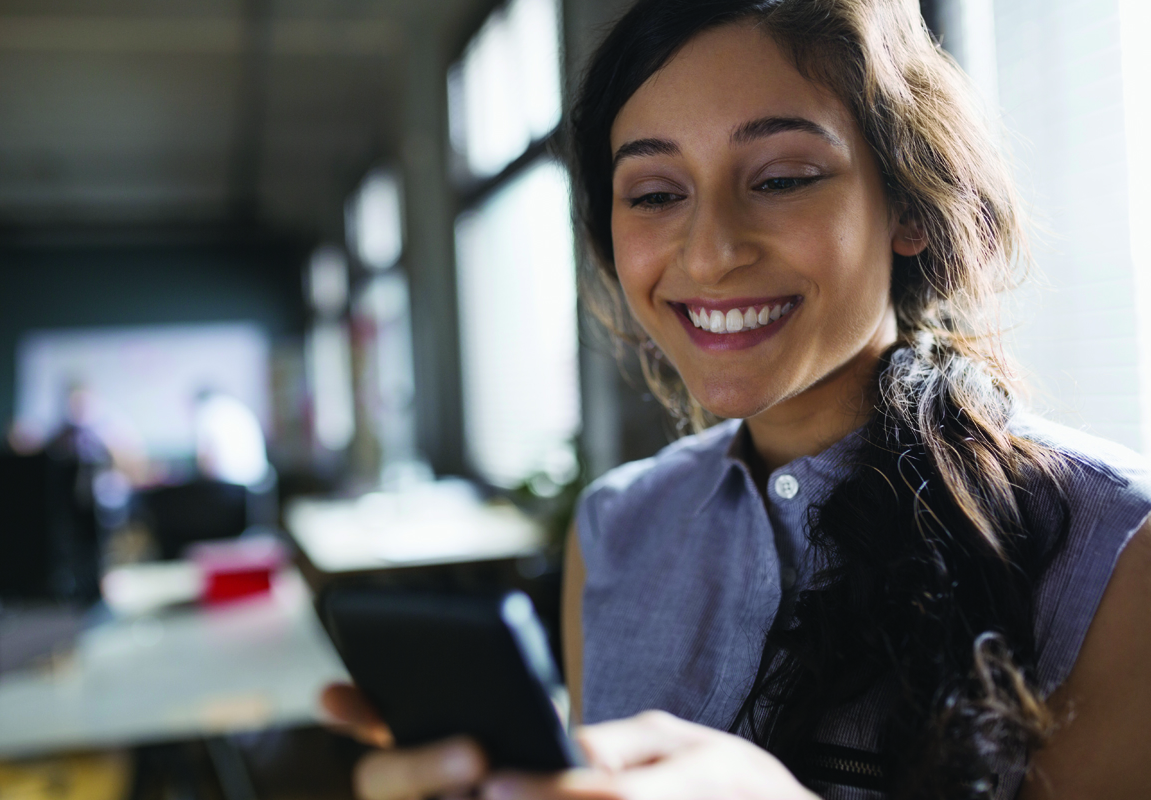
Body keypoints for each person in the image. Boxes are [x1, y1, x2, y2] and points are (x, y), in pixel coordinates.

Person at [322, 0, 1151, 797]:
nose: (711, 253)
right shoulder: (614, 528)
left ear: (907, 203)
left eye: (783, 178)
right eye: (653, 194)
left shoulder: (1116, 552)